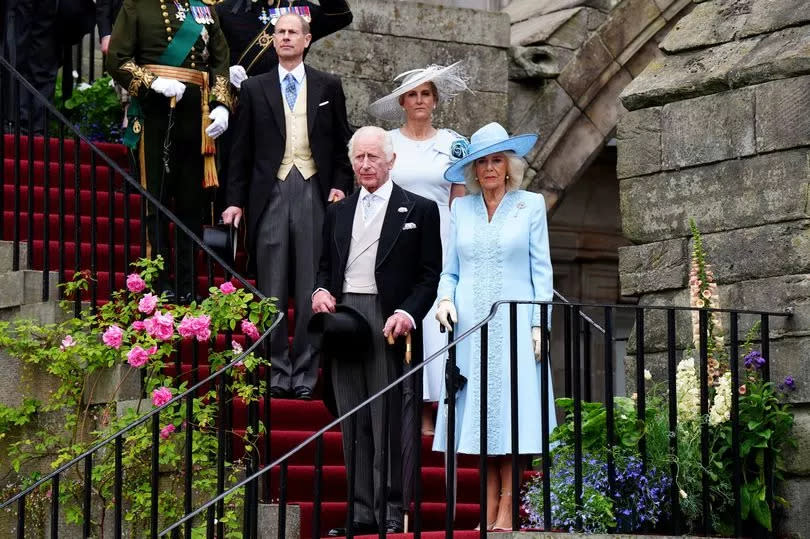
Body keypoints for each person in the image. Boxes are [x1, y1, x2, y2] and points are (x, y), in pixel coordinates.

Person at [312, 126, 442, 536]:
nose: (365, 165)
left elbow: (429, 275)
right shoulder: (338, 210)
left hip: (390, 320)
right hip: (345, 318)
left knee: (387, 417)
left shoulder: (418, 209)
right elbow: (324, 267)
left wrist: (408, 312)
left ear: (391, 161)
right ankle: (361, 511)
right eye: (359, 158)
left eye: (373, 157)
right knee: (353, 417)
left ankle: (391, 508)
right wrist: (319, 291)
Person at [432, 122, 556, 531]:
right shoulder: (460, 208)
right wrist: (444, 299)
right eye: (482, 161)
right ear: (473, 169)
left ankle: (507, 508)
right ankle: (486, 510)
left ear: (509, 166)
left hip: (517, 325)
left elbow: (543, 272)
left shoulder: (530, 205)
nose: (489, 168)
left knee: (513, 416)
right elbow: (449, 271)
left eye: (496, 160)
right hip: (470, 328)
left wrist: (541, 323)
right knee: (482, 419)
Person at [222, 12, 353, 400]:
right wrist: (233, 201)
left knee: (311, 285)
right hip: (271, 194)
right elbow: (240, 152)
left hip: (313, 191)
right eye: (279, 33)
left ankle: (306, 372)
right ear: (273, 40)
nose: (285, 38)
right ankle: (278, 370)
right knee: (273, 288)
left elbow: (344, 144)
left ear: (307, 39)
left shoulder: (329, 85)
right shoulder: (256, 88)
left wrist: (339, 187)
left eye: (292, 32)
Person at [106, 0, 234, 302]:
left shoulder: (204, 8)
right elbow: (117, 58)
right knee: (157, 202)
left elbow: (220, 58)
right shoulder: (138, 6)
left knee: (192, 206)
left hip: (197, 114)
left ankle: (189, 285)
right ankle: (158, 283)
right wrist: (152, 82)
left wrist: (221, 104)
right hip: (155, 113)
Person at [367, 61, 469, 436]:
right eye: (413, 94)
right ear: (403, 102)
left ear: (435, 100)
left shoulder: (454, 143)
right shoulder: (387, 142)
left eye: (426, 93)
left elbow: (460, 197)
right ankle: (398, 400)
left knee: (434, 320)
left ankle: (433, 410)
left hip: (441, 234)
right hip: (398, 233)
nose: (420, 100)